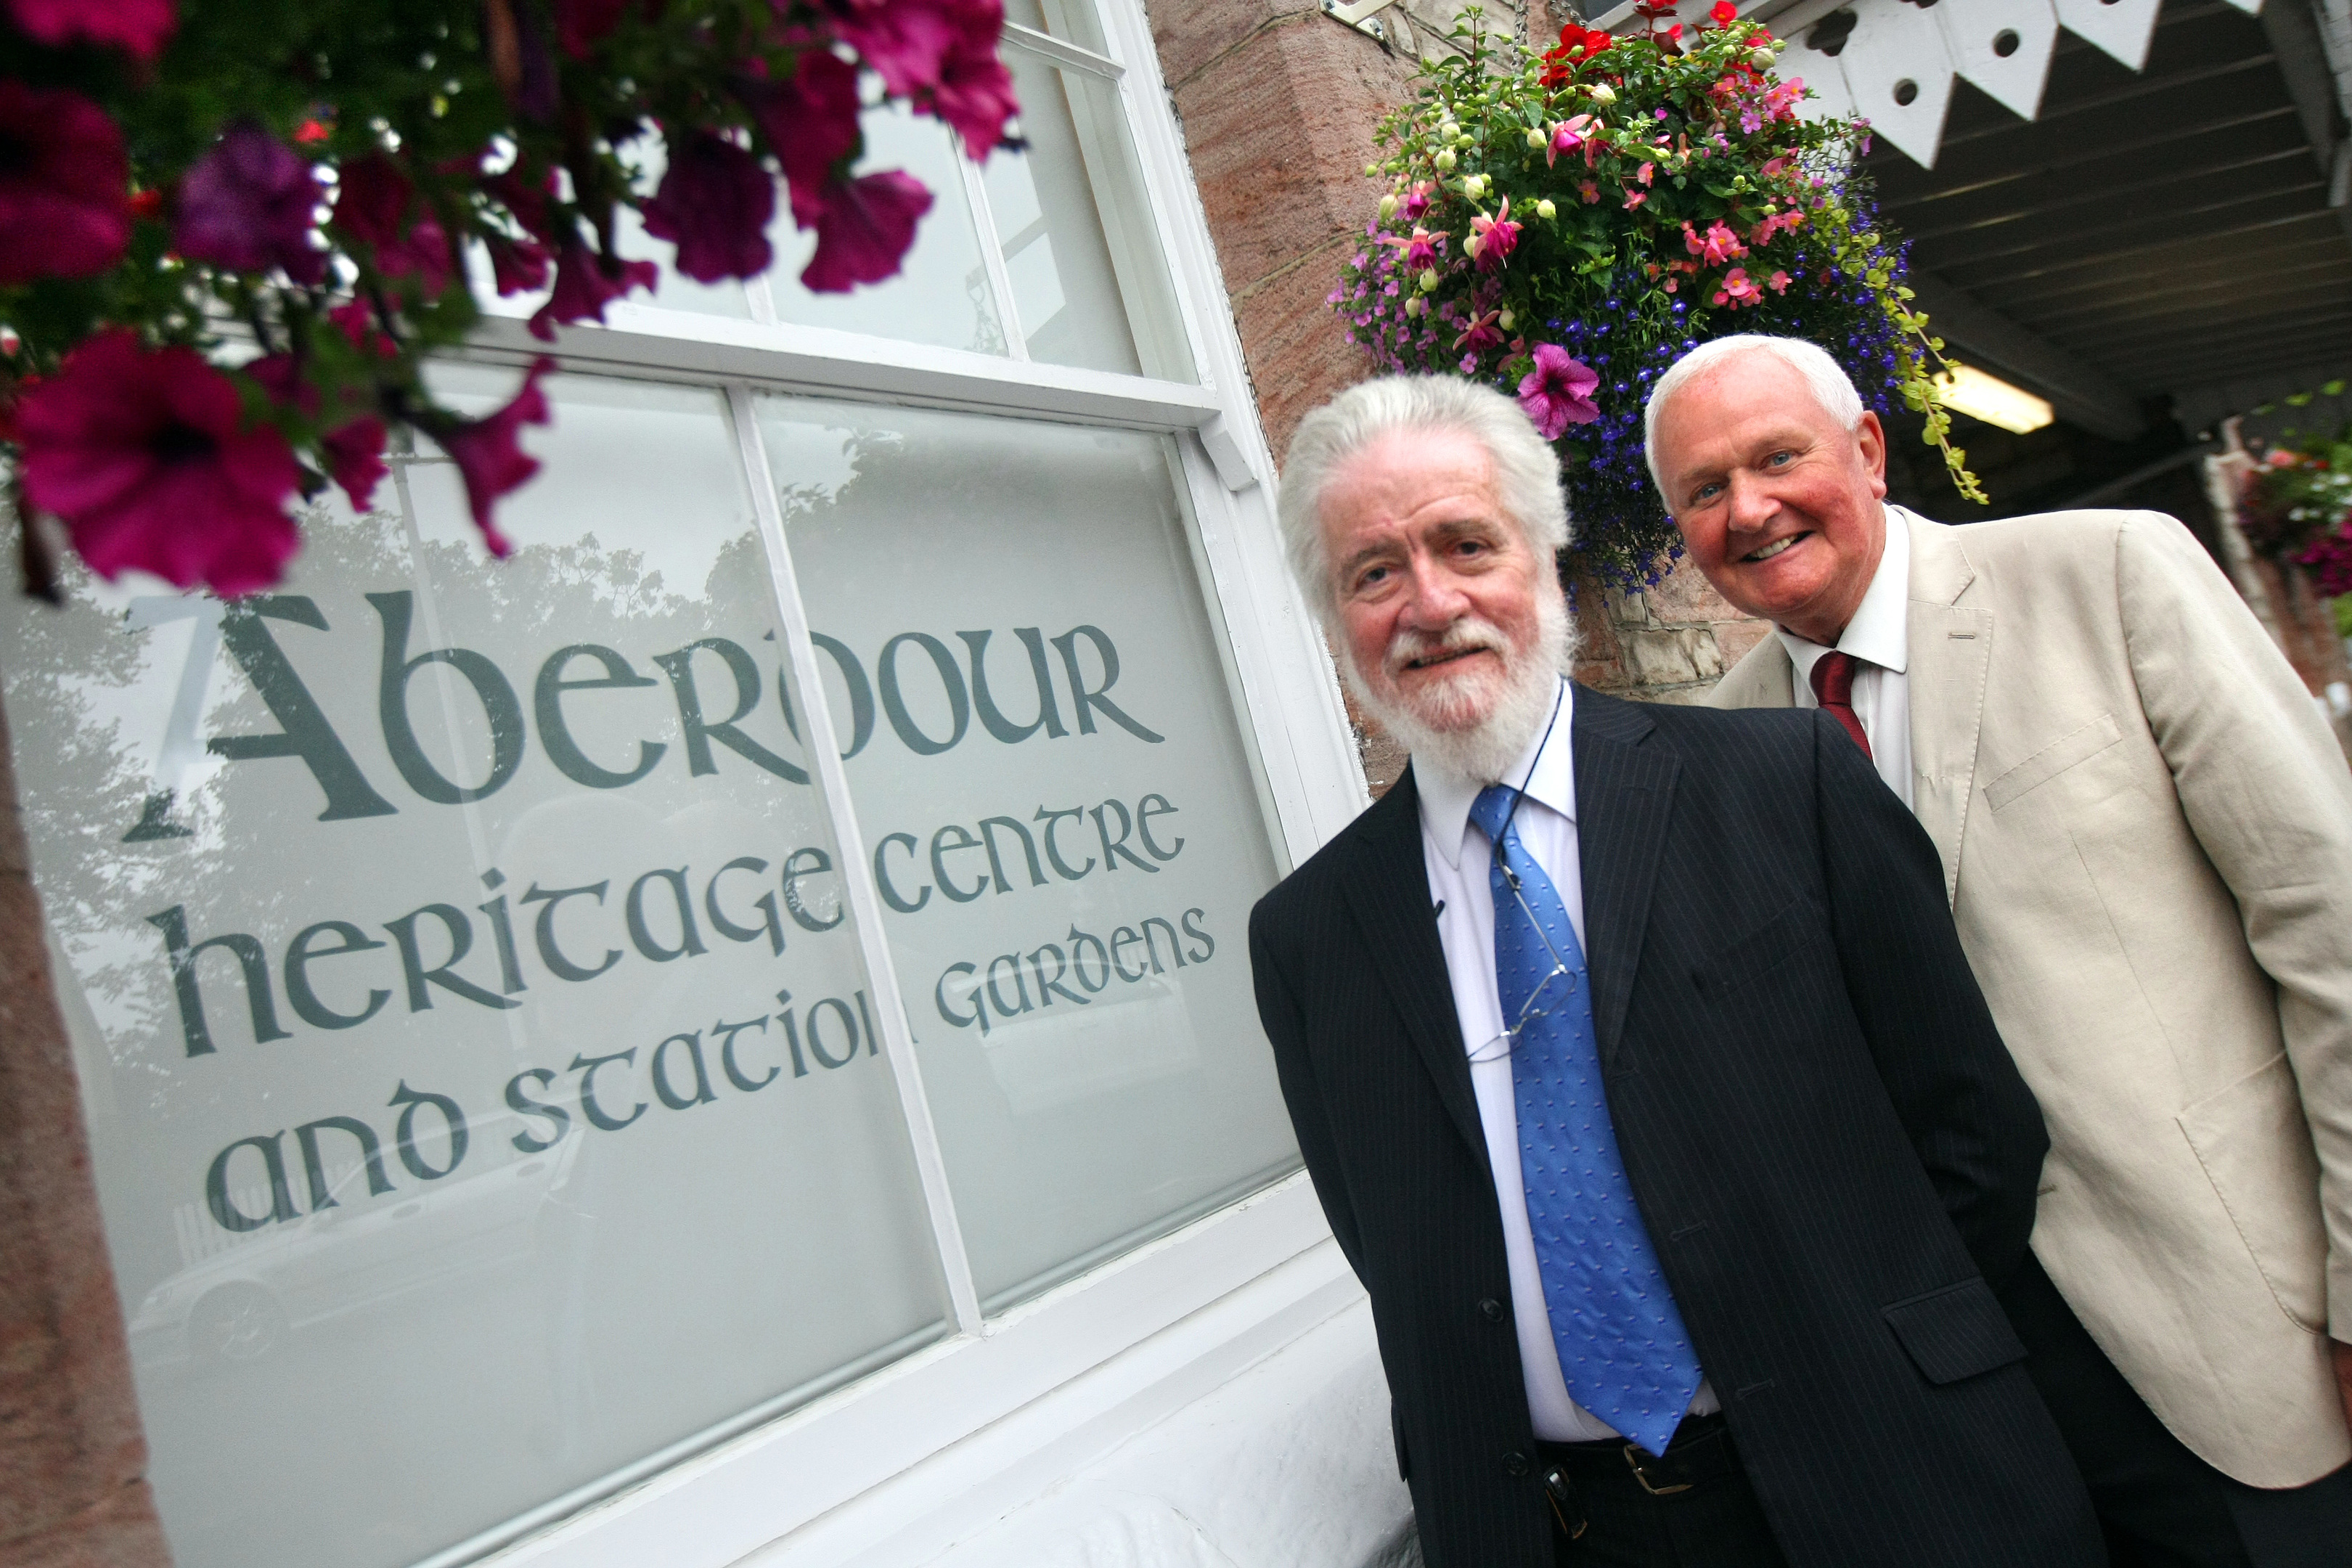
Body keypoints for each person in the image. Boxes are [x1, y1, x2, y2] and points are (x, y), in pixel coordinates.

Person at [1250, 373, 2102, 1567]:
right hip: (1575, 1532)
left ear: (1546, 559)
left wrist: (1858, 1356)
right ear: (1334, 616)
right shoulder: (1309, 939)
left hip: (1897, 1478)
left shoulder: (1783, 782)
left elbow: (1972, 1127)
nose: (1430, 602)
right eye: (1374, 572)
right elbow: (1396, 1251)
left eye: (1466, 543)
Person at [1654, 332, 2352, 1567]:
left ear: (1867, 450)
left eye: (1777, 458)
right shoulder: (1714, 760)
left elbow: (2329, 925)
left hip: (2247, 1336)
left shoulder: (2110, 576)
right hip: (1981, 1423)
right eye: (1704, 492)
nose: (1749, 509)